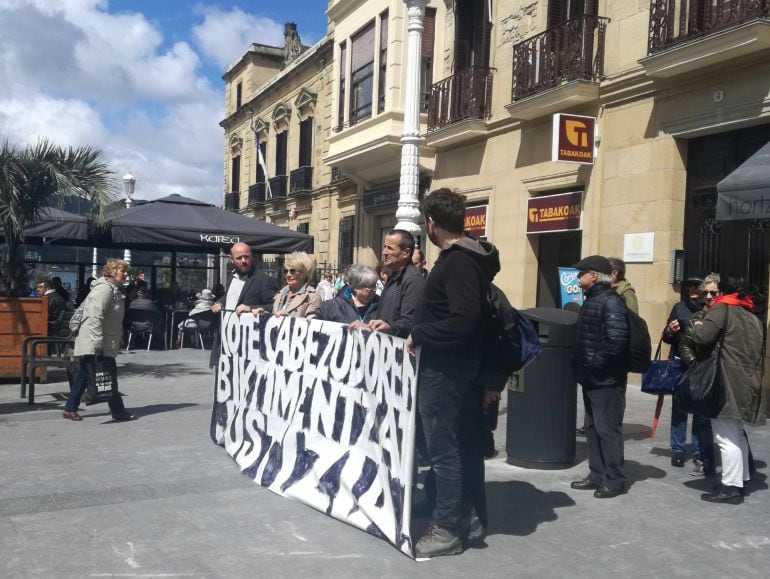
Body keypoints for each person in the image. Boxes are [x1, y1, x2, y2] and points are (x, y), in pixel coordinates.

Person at [406, 188, 500, 558]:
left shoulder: (458, 262)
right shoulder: (463, 259)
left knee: (443, 451)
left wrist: (421, 333)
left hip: (446, 371)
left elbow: (464, 320)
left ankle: (447, 529)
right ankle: (464, 515)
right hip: (452, 368)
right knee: (453, 448)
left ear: (431, 223)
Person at [690, 275, 765, 504]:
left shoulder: (723, 308)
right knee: (737, 432)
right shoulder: (751, 315)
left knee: (725, 436)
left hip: (725, 379)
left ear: (723, 292)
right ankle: (741, 479)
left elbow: (702, 336)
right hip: (746, 379)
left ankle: (730, 487)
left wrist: (697, 324)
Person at [570, 255, 630, 499]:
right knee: (593, 429)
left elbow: (616, 342)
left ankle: (614, 480)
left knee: (607, 431)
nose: (577, 278)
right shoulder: (593, 299)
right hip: (591, 378)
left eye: (581, 273)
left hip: (605, 380)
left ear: (593, 275)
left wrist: (595, 365)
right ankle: (596, 475)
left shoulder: (611, 302)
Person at [63, 259, 133, 421]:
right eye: (123, 271)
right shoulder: (105, 289)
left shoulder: (114, 289)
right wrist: (97, 342)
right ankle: (118, 411)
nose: (125, 274)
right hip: (97, 342)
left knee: (85, 374)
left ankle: (70, 408)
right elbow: (95, 316)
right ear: (112, 272)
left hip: (101, 341)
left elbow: (112, 319)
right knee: (107, 374)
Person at [674, 274, 718, 476]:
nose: (707, 295)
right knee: (682, 409)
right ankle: (679, 449)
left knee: (705, 418)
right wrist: (694, 364)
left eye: (712, 292)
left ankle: (704, 457)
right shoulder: (687, 311)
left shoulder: (724, 313)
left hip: (717, 373)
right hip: (692, 369)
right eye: (704, 291)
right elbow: (682, 343)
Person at [210, 243, 279, 366]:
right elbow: (229, 296)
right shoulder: (232, 276)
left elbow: (275, 307)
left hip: (248, 344)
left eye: (246, 257)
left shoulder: (264, 280)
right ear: (231, 259)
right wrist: (220, 302)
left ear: (252, 257)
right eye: (239, 258)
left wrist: (250, 308)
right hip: (225, 338)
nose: (243, 261)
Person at [363, 229, 425, 338]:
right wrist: (365, 326)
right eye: (385, 246)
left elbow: (411, 321)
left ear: (406, 253)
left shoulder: (413, 280)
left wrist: (390, 326)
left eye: (390, 248)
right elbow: (382, 313)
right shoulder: (392, 275)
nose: (384, 252)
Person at [252, 252, 321, 318]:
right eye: (286, 271)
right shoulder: (281, 293)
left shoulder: (312, 296)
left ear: (304, 274)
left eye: (292, 271)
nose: (288, 275)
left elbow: (311, 325)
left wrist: (287, 319)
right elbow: (275, 316)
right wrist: (264, 314)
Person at [312, 265, 379, 324]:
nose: (374, 289)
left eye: (375, 285)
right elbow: (313, 320)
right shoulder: (334, 305)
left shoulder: (381, 304)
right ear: (356, 287)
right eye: (370, 286)